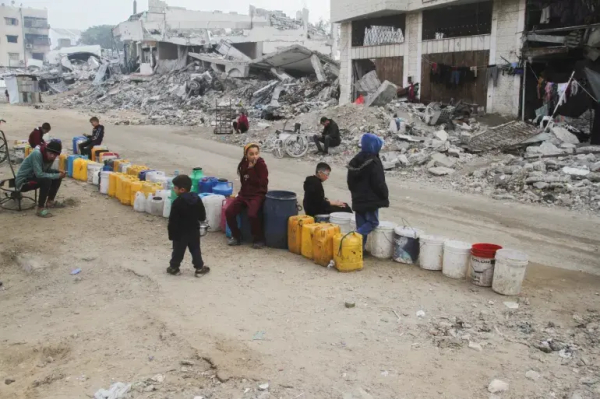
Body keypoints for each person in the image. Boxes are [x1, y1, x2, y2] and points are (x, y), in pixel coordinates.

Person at [347, 133, 389, 250]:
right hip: (371, 200)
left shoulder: (354, 161)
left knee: (361, 224)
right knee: (372, 222)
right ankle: (353, 237)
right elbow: (379, 182)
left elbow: (350, 182)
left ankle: (356, 250)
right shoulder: (374, 162)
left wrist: (355, 193)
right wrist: (384, 196)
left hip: (358, 199)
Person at [226, 143, 269, 248]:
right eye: (251, 154)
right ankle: (236, 236)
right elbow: (244, 181)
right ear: (246, 155)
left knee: (252, 214)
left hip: (258, 194)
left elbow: (262, 183)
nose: (254, 156)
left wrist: (252, 170)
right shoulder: (243, 165)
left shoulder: (261, 165)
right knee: (229, 211)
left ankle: (258, 239)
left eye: (256, 153)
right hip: (244, 194)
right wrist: (249, 170)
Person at [167, 175, 210, 276]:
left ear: (182, 189)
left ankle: (174, 268)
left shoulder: (177, 202)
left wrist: (172, 234)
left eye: (175, 187)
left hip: (180, 232)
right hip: (194, 230)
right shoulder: (197, 198)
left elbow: (173, 220)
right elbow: (202, 216)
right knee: (195, 249)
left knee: (178, 250)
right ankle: (199, 268)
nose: (174, 189)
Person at [16, 140, 66, 218]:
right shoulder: (37, 154)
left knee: (57, 176)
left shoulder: (49, 158)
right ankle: (40, 208)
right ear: (46, 151)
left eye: (55, 155)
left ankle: (50, 201)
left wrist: (58, 172)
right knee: (46, 180)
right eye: (51, 154)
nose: (52, 156)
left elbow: (45, 171)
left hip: (34, 177)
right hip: (23, 181)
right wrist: (57, 175)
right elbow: (39, 174)